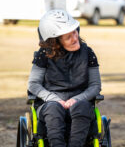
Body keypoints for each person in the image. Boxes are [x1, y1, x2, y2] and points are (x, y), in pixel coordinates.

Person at [27, 9, 101, 147]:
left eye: (74, 31)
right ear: (55, 42)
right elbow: (33, 84)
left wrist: (76, 99)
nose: (75, 38)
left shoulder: (88, 53)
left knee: (82, 107)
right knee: (53, 109)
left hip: (80, 101)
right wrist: (55, 99)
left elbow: (95, 86)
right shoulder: (43, 55)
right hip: (50, 104)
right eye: (68, 37)